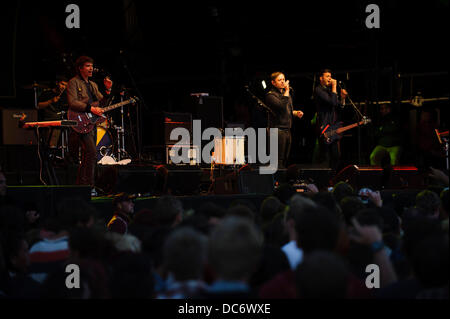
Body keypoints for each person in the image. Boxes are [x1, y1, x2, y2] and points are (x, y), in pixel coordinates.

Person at [66, 56, 112, 190]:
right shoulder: (73, 82)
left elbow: (102, 103)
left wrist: (108, 91)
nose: (91, 68)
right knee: (91, 152)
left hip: (90, 123)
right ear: (80, 68)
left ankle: (84, 185)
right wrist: (91, 108)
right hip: (79, 120)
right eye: (87, 66)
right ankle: (87, 185)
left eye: (91, 65)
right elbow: (72, 102)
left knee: (90, 154)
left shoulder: (93, 85)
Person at [265, 72, 304, 169]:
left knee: (285, 159)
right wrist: (286, 91)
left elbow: (287, 110)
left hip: (287, 129)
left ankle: (282, 179)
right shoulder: (271, 96)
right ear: (273, 83)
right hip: (277, 130)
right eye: (279, 80)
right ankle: (276, 181)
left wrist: (295, 113)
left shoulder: (286, 94)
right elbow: (281, 107)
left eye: (283, 79)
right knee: (277, 159)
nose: (283, 82)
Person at [312, 69, 347, 171]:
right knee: (325, 155)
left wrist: (343, 98)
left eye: (330, 76)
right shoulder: (318, 90)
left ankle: (332, 177)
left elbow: (338, 106)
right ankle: (323, 178)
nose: (330, 79)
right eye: (327, 76)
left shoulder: (329, 91)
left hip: (333, 126)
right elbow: (332, 102)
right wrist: (334, 87)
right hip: (324, 125)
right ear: (321, 78)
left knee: (336, 155)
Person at [37, 76, 69, 150]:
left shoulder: (65, 96)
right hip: (50, 121)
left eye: (65, 85)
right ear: (57, 83)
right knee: (51, 144)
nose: (63, 87)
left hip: (62, 121)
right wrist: (50, 101)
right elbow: (38, 106)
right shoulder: (47, 93)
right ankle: (51, 152)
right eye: (62, 84)